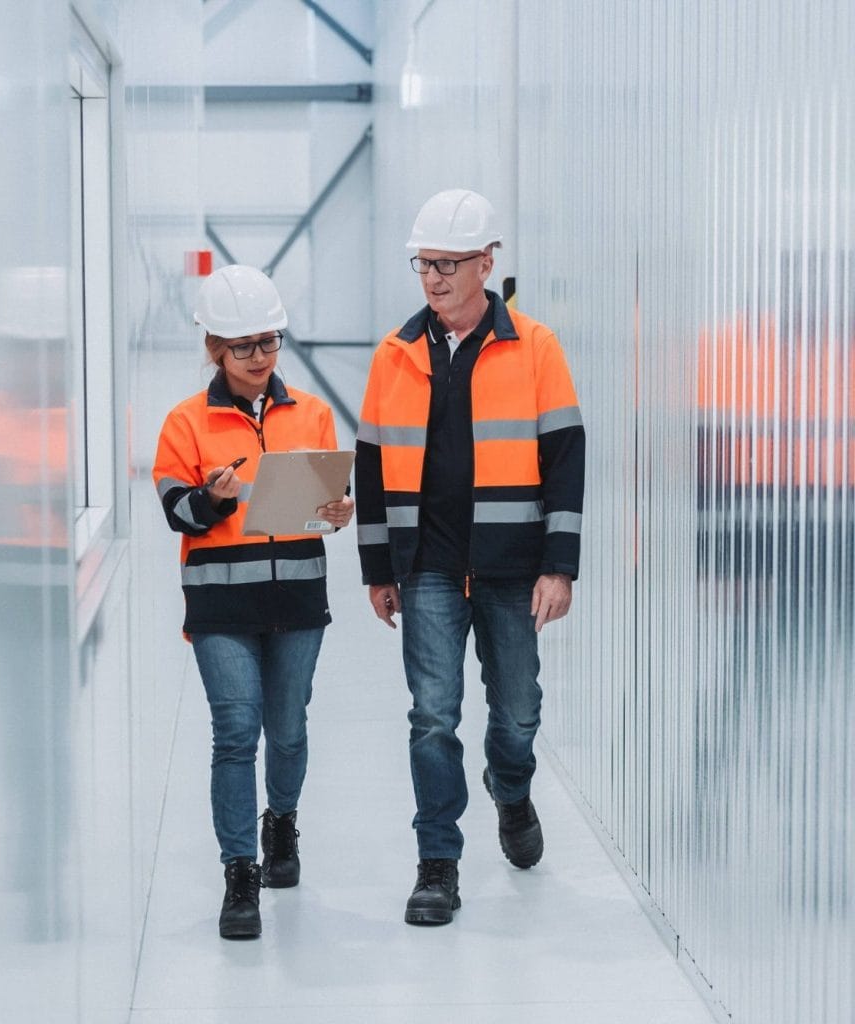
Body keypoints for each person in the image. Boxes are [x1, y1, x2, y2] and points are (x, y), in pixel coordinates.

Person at [355, 189, 585, 926]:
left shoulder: (536, 347)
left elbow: (566, 461)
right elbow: (370, 465)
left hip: (512, 565)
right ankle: (438, 864)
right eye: (425, 263)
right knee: (431, 717)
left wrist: (560, 564)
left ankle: (509, 788)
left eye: (451, 263)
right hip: (425, 566)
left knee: (517, 715)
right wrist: (377, 569)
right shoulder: (394, 355)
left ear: (488, 262)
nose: (435, 278)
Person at [152, 265, 354, 940]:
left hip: (297, 599)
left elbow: (325, 502)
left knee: (288, 728)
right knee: (237, 733)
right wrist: (213, 498)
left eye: (268, 341)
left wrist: (338, 510)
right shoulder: (185, 422)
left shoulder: (313, 412)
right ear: (212, 346)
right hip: (220, 610)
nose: (260, 357)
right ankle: (240, 873)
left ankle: (282, 822)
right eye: (243, 346)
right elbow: (176, 511)